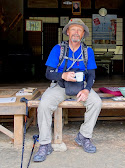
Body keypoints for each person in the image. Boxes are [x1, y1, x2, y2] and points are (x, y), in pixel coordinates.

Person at [33, 18, 102, 162]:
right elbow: (48, 73)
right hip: (60, 86)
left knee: (96, 102)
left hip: (80, 87)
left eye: (79, 30)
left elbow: (91, 75)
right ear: (68, 32)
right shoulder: (58, 49)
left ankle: (83, 136)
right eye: (73, 29)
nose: (76, 32)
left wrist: (87, 90)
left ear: (83, 34)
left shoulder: (88, 51)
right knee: (44, 104)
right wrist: (63, 75)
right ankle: (45, 144)